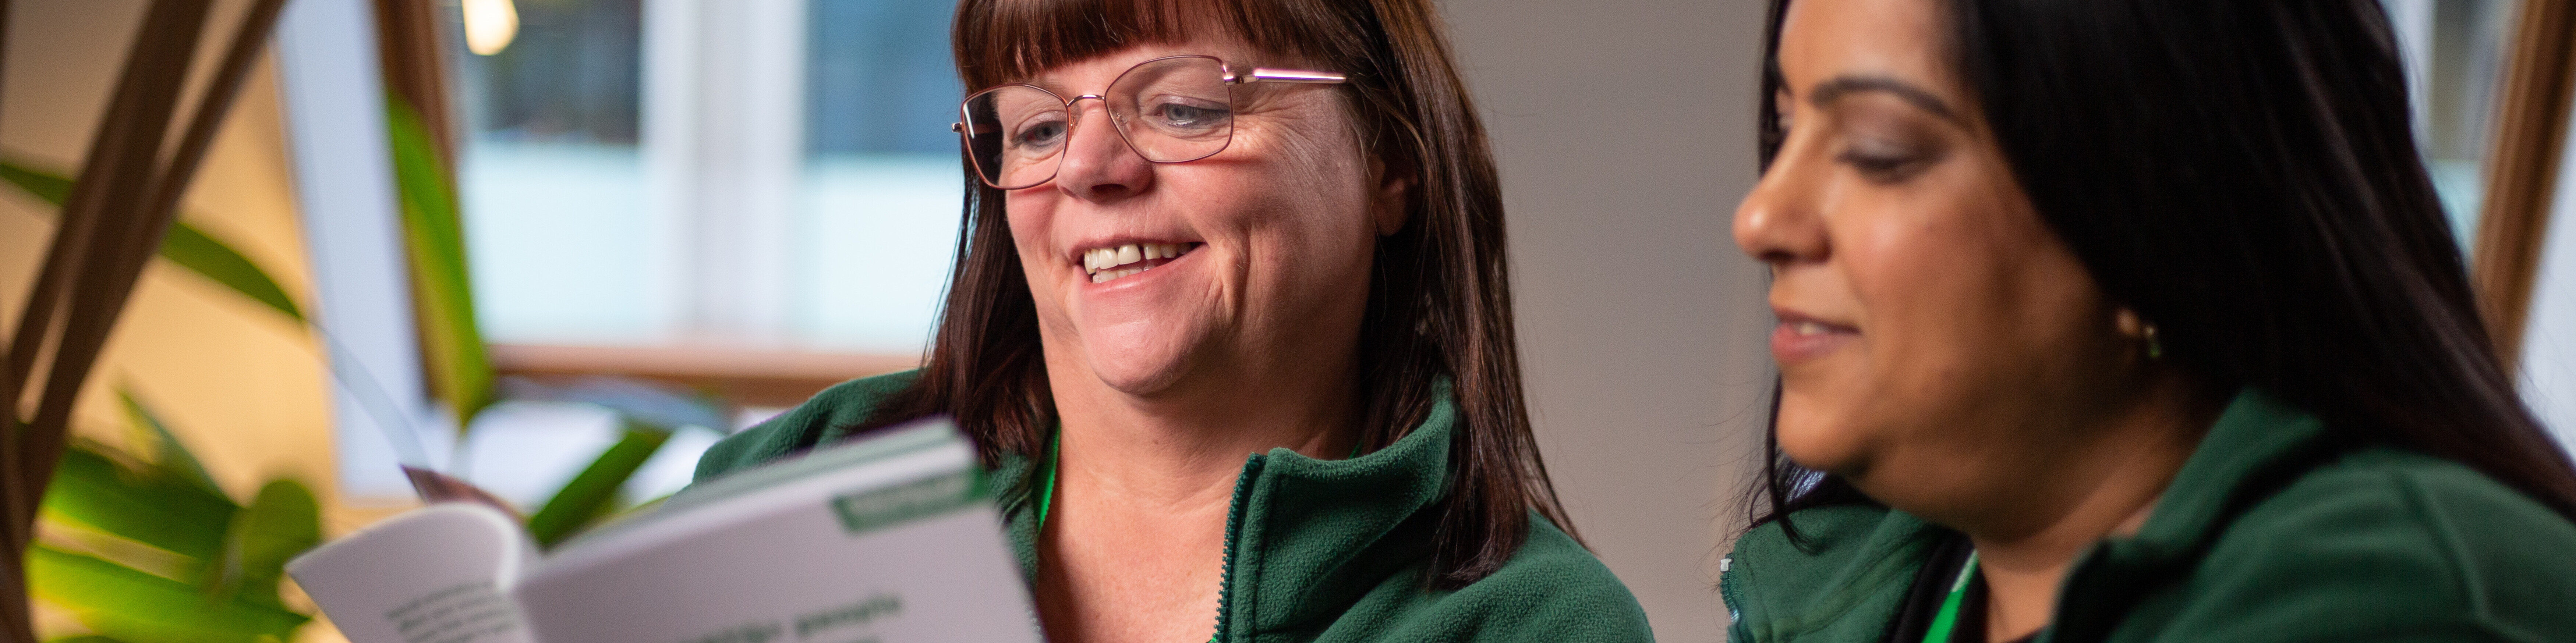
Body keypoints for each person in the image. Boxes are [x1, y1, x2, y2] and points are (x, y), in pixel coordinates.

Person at [690, 0, 1650, 641]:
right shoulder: (800, 481)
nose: (1086, 167)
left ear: (1390, 160)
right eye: (1035, 126)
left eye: (1185, 107)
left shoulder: (1536, 623)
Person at [1719, 0, 2576, 642]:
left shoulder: (2388, 595)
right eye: (1784, 128)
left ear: (2150, 216)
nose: (1760, 218)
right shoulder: (1851, 582)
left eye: (1878, 152)